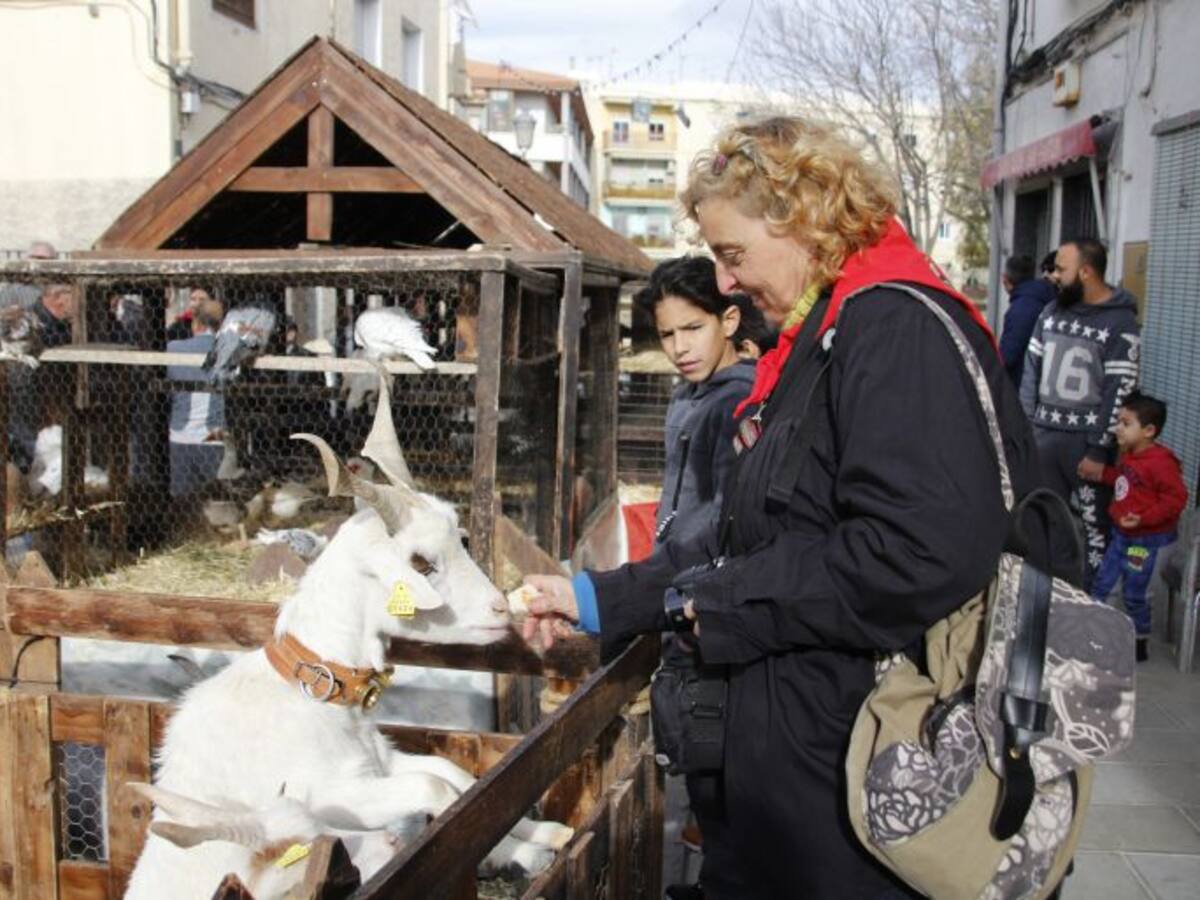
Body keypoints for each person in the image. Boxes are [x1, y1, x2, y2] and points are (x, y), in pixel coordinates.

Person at [519, 117, 1041, 899]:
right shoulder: (821, 339)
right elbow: (745, 532)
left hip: (856, 799)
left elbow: (916, 550)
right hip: (797, 778)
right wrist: (594, 598)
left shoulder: (895, 330)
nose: (726, 282)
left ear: (802, 218)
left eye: (732, 254)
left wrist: (717, 603)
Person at [1020, 238, 1140, 585]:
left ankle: (1090, 600)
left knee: (1094, 530)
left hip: (1086, 448)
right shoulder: (1050, 312)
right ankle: (1044, 595)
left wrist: (1099, 449)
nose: (1053, 275)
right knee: (1041, 521)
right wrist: (1026, 428)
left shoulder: (1120, 323)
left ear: (1086, 272)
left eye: (1061, 269)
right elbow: (1031, 372)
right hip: (1043, 438)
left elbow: (1119, 390)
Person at [640, 256, 756, 551]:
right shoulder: (684, 396)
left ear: (728, 321)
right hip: (669, 564)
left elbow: (727, 524)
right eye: (667, 334)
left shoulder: (740, 403)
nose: (680, 348)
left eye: (693, 328)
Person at [1083, 392, 1187, 662]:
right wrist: (1102, 474)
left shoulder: (1161, 463)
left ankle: (1138, 642)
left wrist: (1144, 518)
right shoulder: (1131, 455)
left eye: (1126, 423)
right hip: (1122, 535)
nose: (1118, 428)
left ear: (1149, 431)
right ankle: (1096, 635)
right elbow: (1125, 482)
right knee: (1104, 584)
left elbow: (1176, 500)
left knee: (1135, 593)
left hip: (1147, 542)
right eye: (1118, 421)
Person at [166, 298, 226, 498]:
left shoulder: (174, 348)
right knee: (215, 500)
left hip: (180, 435)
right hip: (214, 437)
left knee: (183, 502)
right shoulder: (228, 351)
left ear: (196, 323)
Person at [999, 253, 1056, 387]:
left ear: (1006, 280)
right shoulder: (1043, 298)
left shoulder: (1022, 308)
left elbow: (1008, 356)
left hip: (1022, 385)